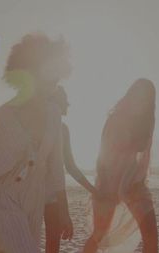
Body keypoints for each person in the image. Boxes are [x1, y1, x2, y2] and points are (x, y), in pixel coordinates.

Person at [0, 33, 73, 253]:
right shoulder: (2, 116)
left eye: (55, 79)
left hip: (35, 198)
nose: (52, 85)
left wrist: (64, 212)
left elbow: (56, 167)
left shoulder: (54, 113)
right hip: (5, 198)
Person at [83, 79, 158, 253]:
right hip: (109, 185)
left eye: (148, 97)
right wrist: (103, 187)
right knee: (98, 235)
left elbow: (141, 151)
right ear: (132, 95)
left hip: (135, 186)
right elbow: (103, 155)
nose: (143, 100)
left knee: (151, 239)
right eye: (140, 94)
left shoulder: (145, 123)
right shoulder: (115, 119)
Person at [44, 86, 100, 253]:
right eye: (64, 102)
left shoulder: (61, 129)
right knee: (50, 243)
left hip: (46, 192)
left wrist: (92, 189)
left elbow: (70, 166)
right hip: (46, 193)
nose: (67, 106)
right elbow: (67, 167)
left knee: (51, 241)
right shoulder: (57, 129)